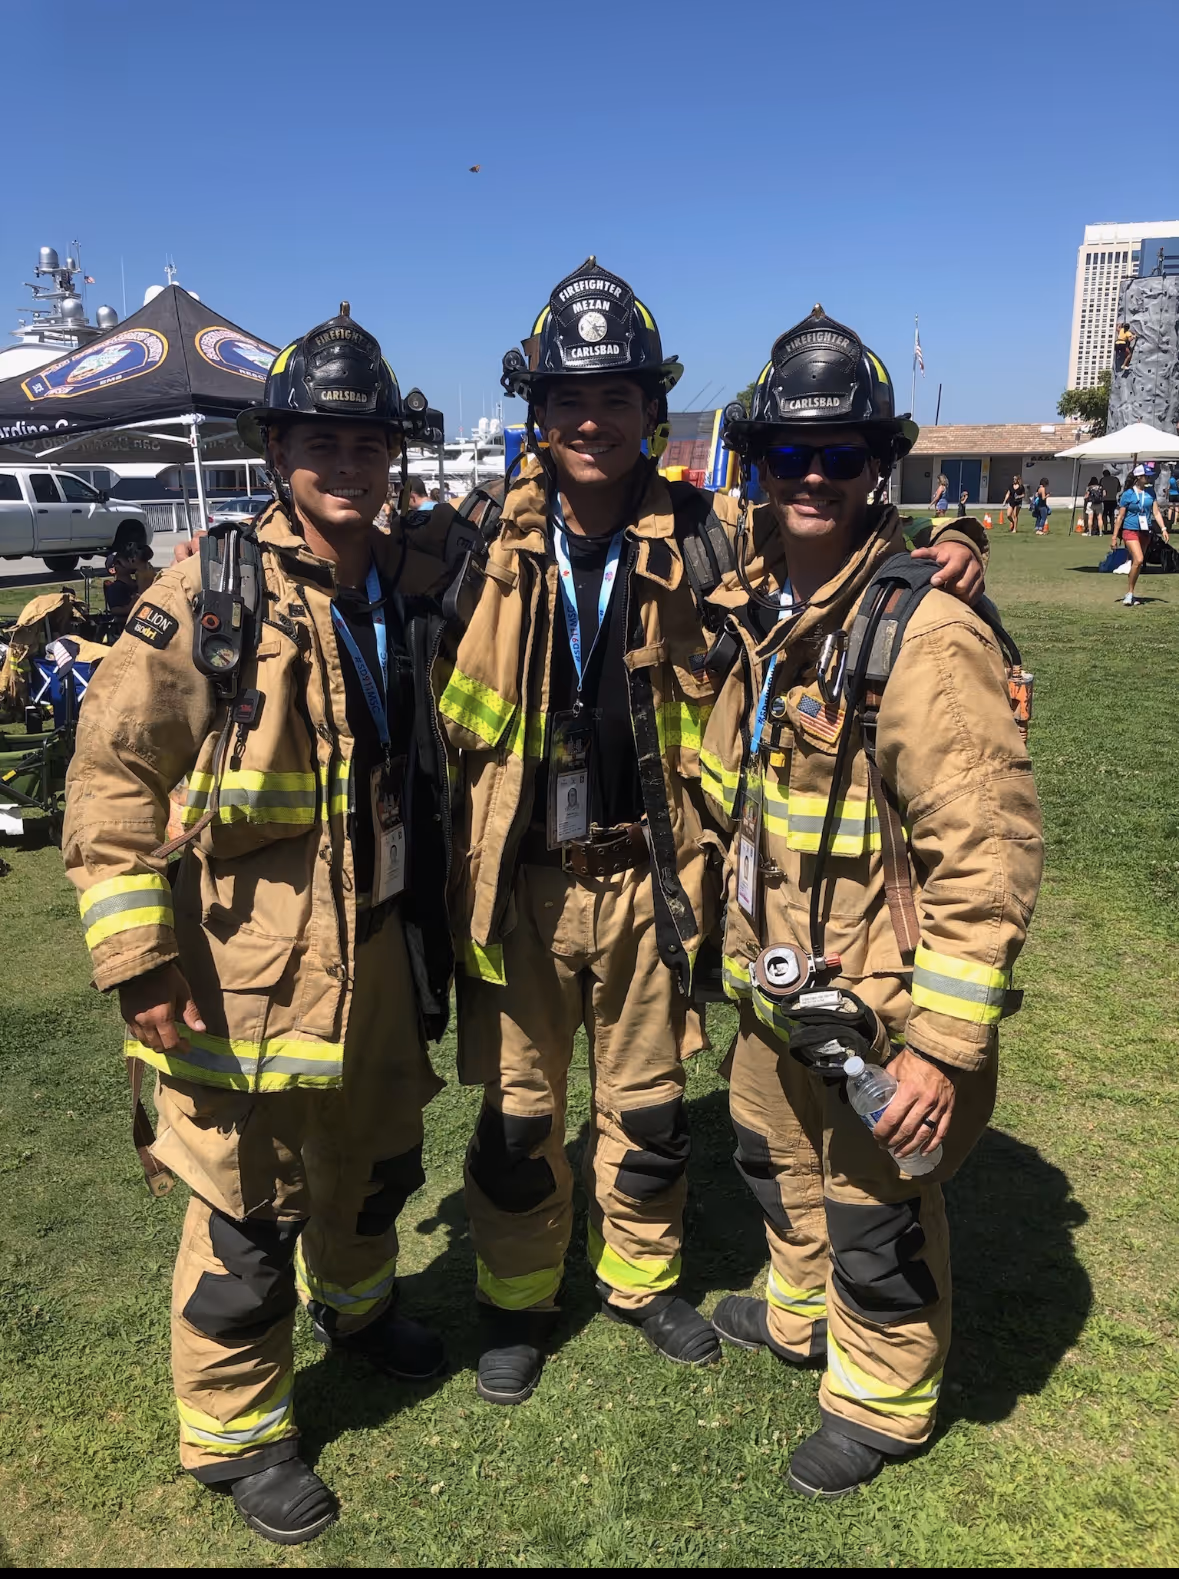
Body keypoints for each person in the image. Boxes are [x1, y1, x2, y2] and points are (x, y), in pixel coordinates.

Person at [437, 265, 985, 1411]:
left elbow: (831, 514)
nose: (594, 419)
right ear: (536, 408)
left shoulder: (703, 530)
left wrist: (961, 532)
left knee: (645, 1109)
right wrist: (202, 559)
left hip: (646, 876)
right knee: (518, 1115)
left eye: (621, 395)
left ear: (652, 408)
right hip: (519, 884)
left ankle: (641, 1283)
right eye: (569, 397)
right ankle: (517, 1299)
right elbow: (337, 560)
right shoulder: (470, 538)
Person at [62, 308, 455, 1546]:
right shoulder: (203, 600)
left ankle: (360, 1307)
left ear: (392, 453)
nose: (347, 461)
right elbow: (111, 782)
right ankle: (236, 1435)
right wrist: (136, 962)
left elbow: (580, 518)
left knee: (376, 1157)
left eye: (367, 441)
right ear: (277, 448)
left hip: (381, 944)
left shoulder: (412, 575)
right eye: (320, 439)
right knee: (243, 1210)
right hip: (243, 971)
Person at [699, 306, 1043, 1498]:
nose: (812, 476)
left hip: (886, 1014)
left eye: (840, 455)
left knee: (875, 1213)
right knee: (769, 1159)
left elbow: (984, 858)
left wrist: (945, 1046)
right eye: (787, 453)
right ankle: (800, 1317)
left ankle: (883, 1396)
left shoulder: (924, 636)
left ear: (876, 467)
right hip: (777, 990)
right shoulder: (764, 607)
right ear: (751, 464)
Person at [1113, 463, 1170, 606]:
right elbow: (1120, 517)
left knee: (1137, 564)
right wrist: (1114, 536)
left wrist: (1163, 528)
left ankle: (1130, 592)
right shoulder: (1128, 494)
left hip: (1145, 531)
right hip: (1130, 530)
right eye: (1146, 476)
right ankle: (1130, 594)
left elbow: (1156, 512)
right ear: (1138, 477)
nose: (1149, 479)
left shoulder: (1150, 493)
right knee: (1139, 559)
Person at [1101, 468, 1120, 534]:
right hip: (1113, 499)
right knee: (1112, 514)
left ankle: (1105, 528)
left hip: (1105, 500)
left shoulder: (1102, 480)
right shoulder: (1116, 479)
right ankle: (1112, 528)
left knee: (1105, 514)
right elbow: (1119, 489)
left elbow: (1100, 489)